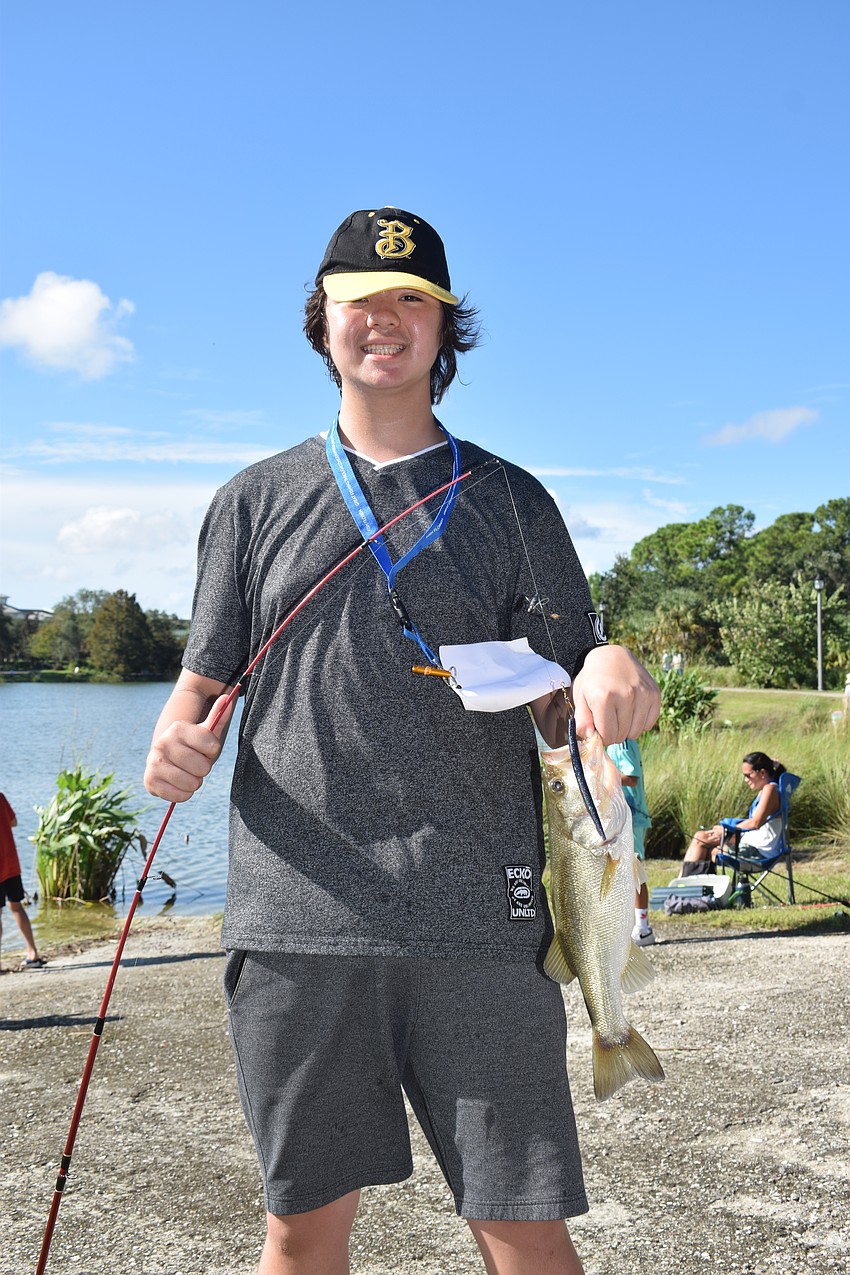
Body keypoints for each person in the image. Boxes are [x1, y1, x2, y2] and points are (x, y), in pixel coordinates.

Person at [144, 205, 660, 1275]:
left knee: (522, 1226)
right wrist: (171, 748)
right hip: (296, 923)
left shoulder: (514, 500)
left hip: (482, 916)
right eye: (357, 303)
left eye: (410, 302)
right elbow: (201, 685)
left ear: (444, 329)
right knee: (301, 1230)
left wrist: (609, 666)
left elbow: (570, 678)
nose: (383, 321)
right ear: (321, 325)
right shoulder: (250, 501)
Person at [680, 751, 786, 876]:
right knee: (700, 837)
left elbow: (756, 823)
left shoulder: (770, 790)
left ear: (762, 773)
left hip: (759, 852)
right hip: (751, 841)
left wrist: (727, 830)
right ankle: (686, 887)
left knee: (707, 849)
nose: (745, 780)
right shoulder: (767, 788)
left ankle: (683, 888)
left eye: (748, 775)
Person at [606, 738, 654, 945]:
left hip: (632, 818)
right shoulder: (613, 744)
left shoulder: (622, 743)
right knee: (623, 872)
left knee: (635, 870)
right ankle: (630, 926)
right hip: (622, 817)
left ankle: (643, 929)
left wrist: (599, 778)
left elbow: (631, 777)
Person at [0, 791, 45, 971]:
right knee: (16, 906)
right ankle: (33, 953)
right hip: (10, 864)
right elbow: (13, 822)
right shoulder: (1, 797)